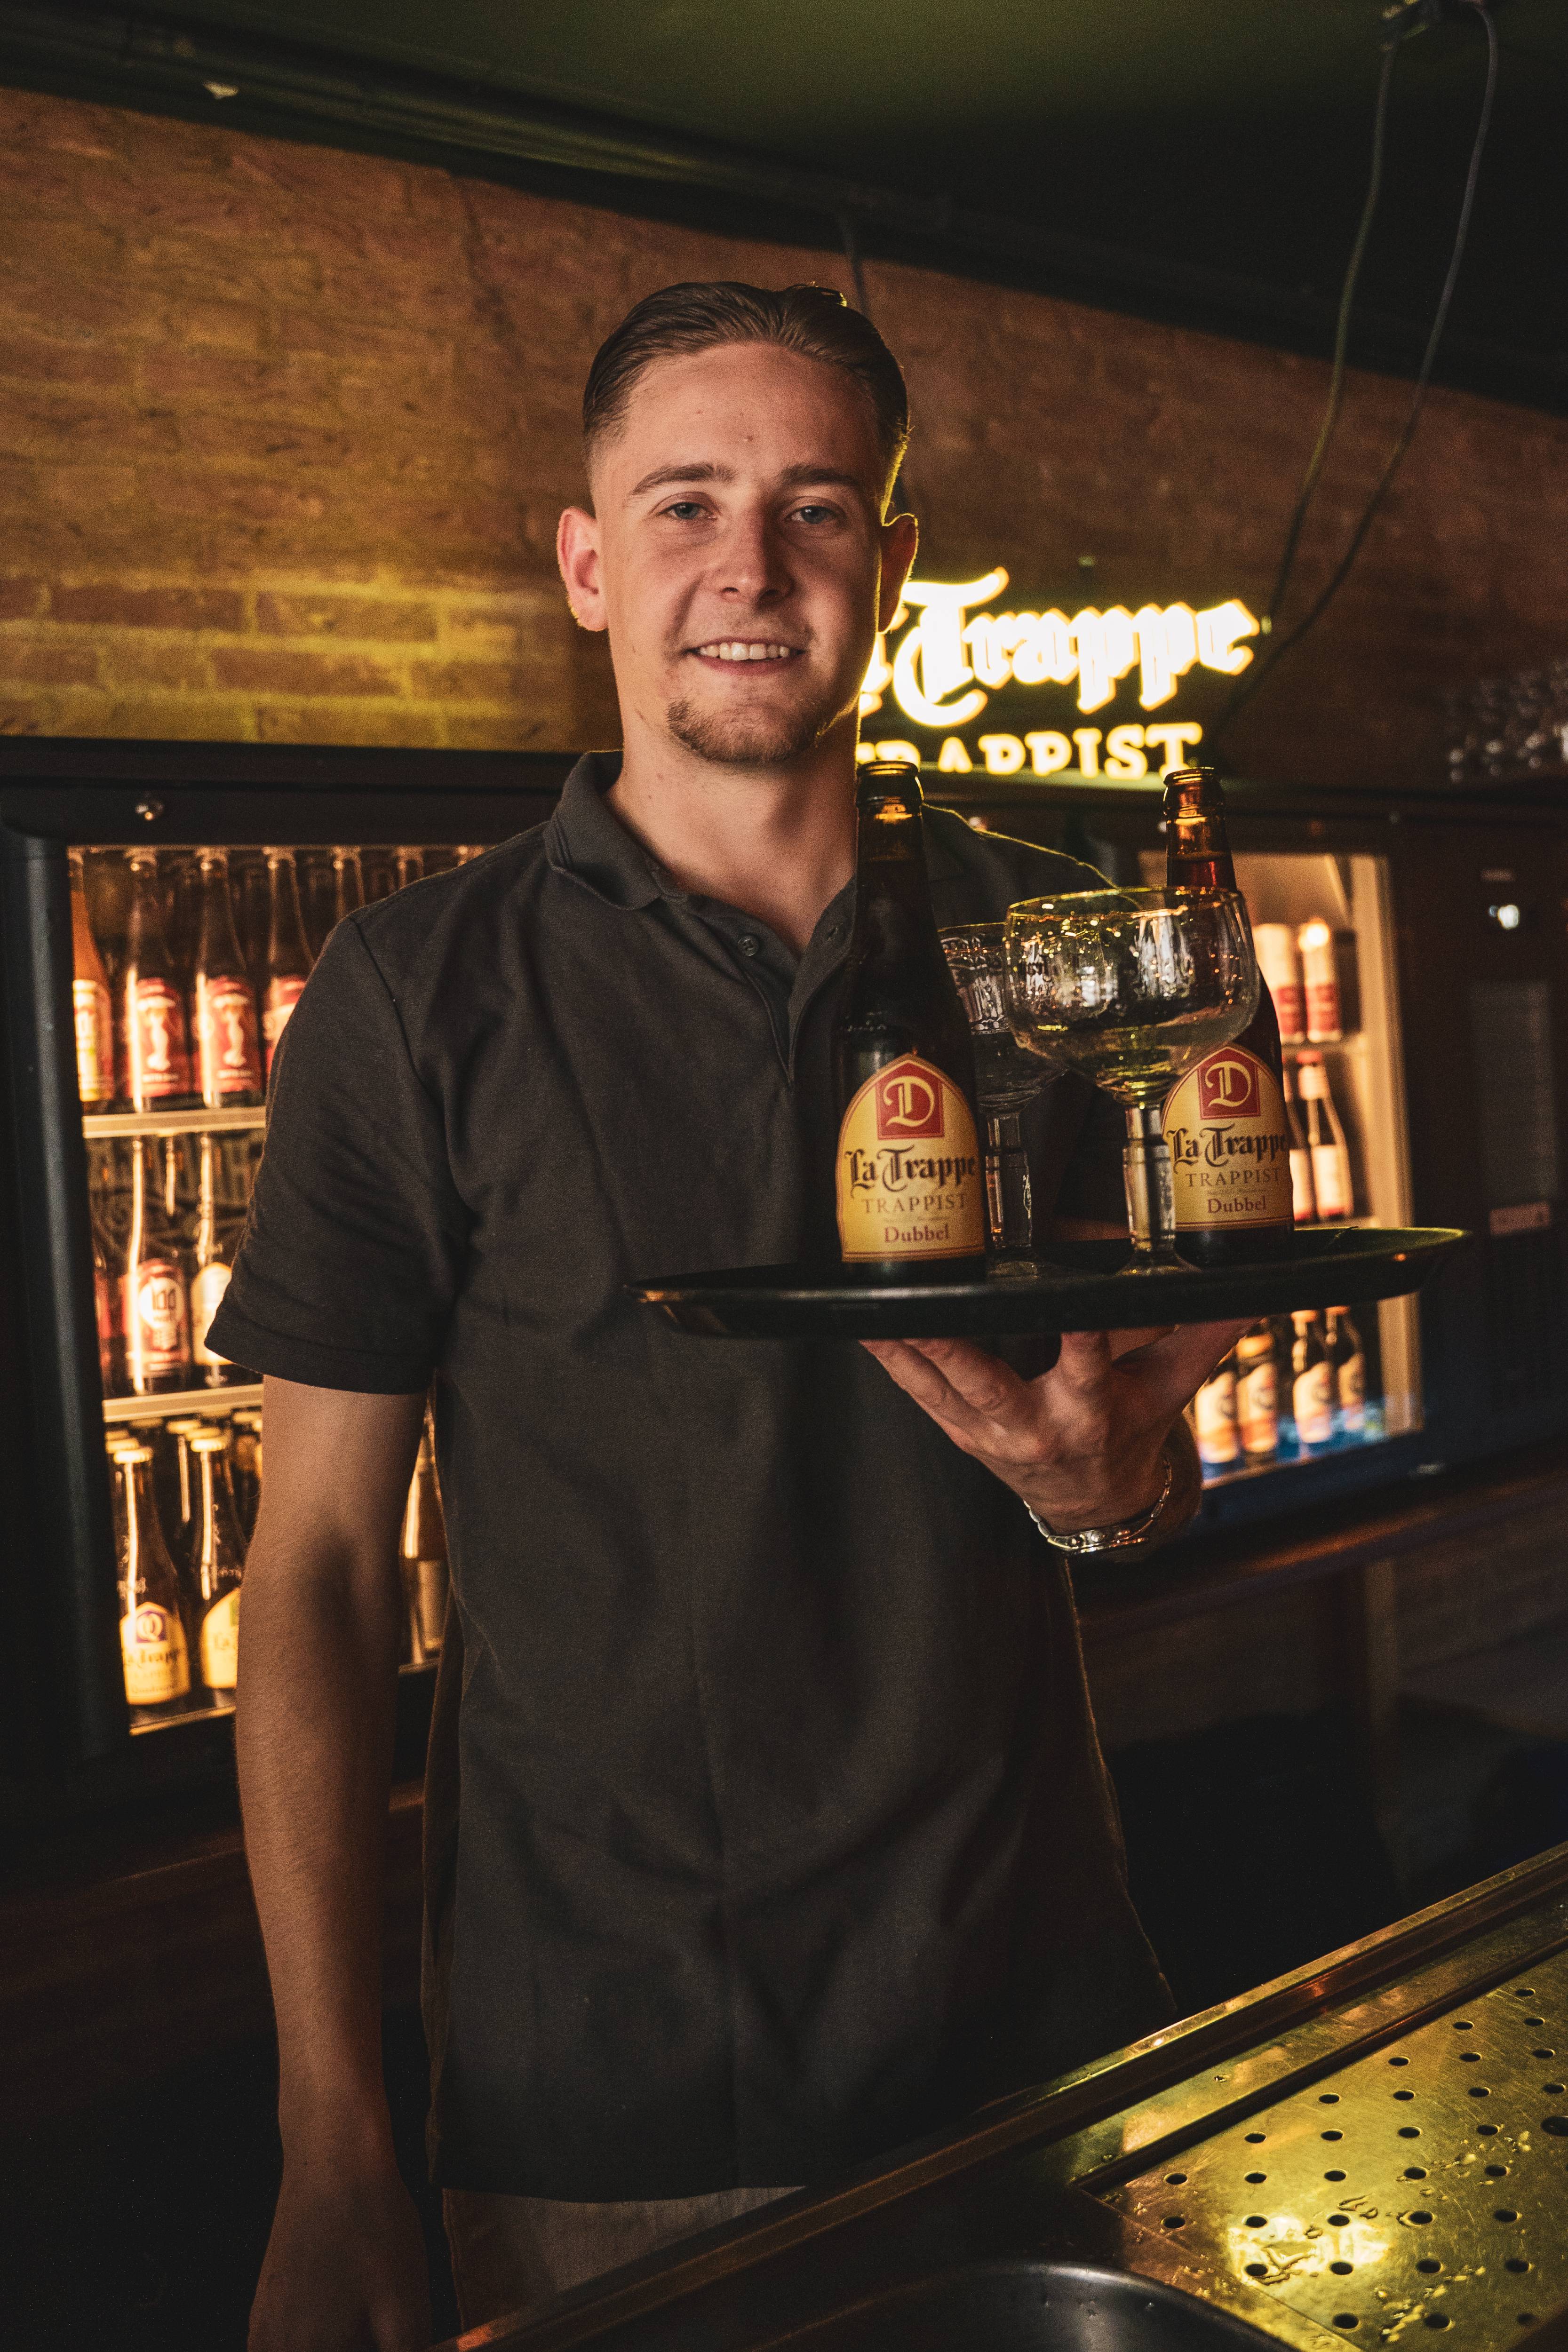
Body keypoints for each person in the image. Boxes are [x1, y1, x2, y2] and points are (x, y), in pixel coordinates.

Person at [223, 281, 1247, 2352]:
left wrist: (1115, 1496)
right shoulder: (419, 991)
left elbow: (1130, 1471)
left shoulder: (1034, 948)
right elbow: (318, 1573)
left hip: (1050, 2027)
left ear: (893, 558)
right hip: (626, 2092)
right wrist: (335, 2147)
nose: (749, 569)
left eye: (815, 507)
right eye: (683, 503)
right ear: (588, 559)